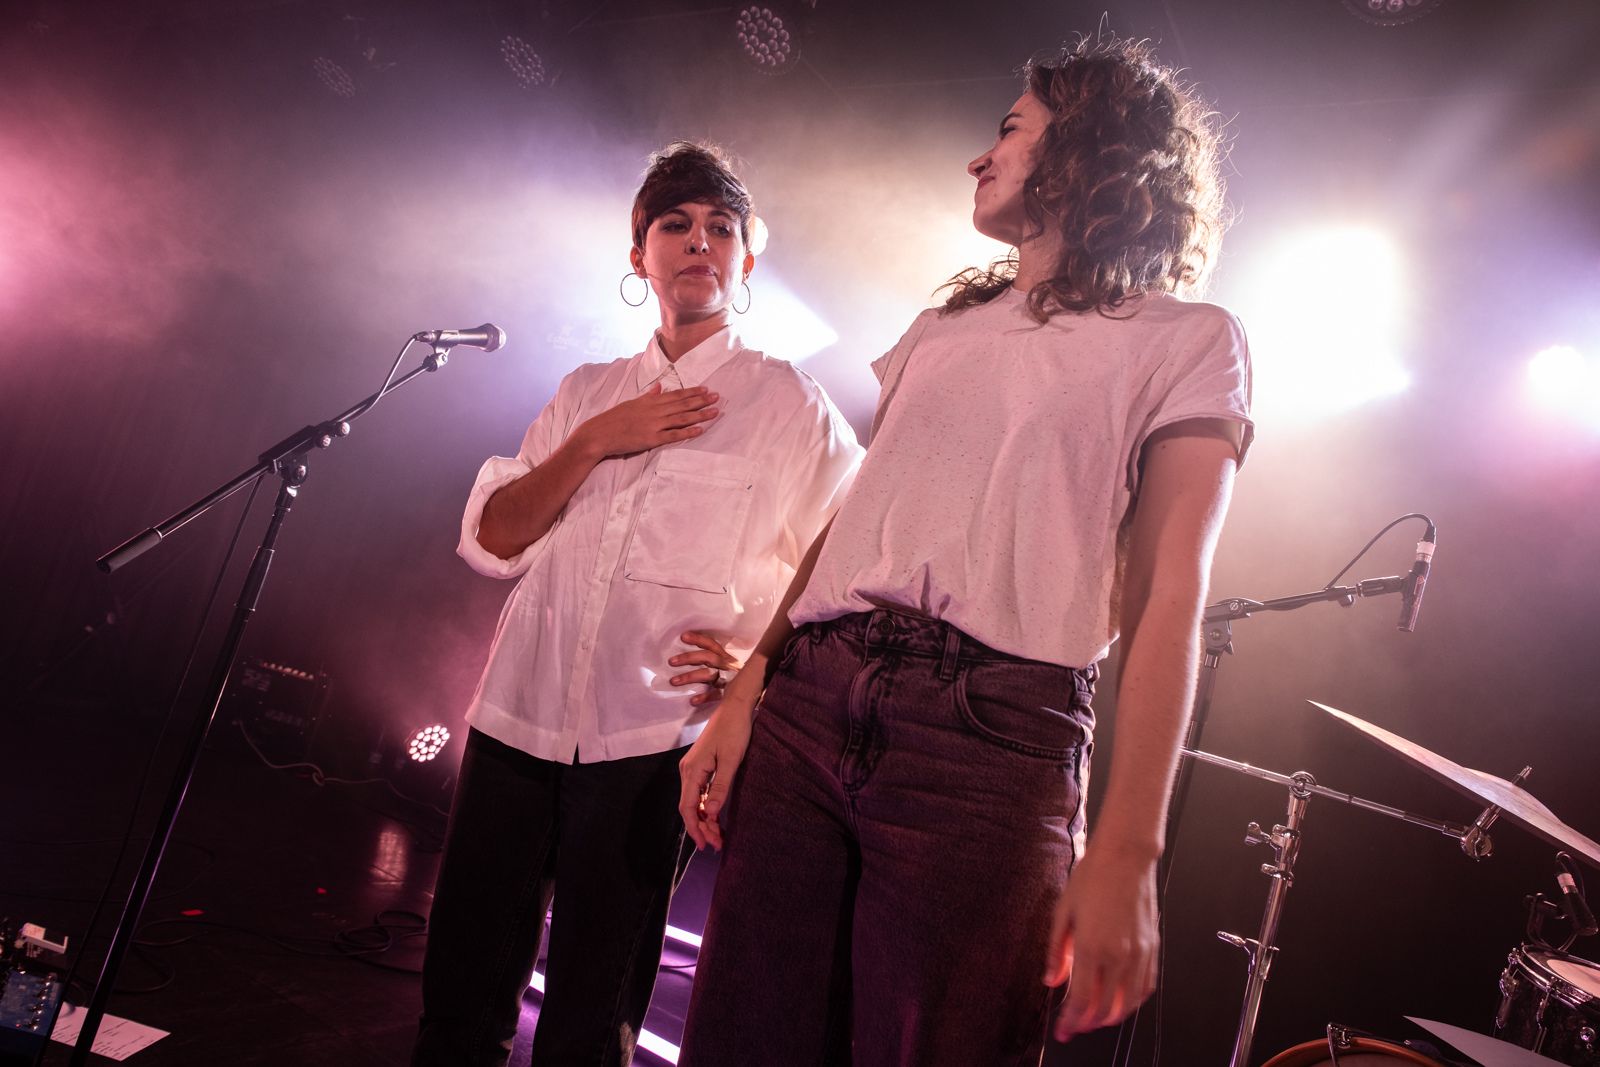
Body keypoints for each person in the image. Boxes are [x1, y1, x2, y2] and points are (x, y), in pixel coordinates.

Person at [676, 36, 1253, 1066]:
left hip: (991, 741)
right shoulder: (941, 328)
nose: (978, 159)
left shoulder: (1188, 338)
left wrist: (1128, 844)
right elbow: (844, 534)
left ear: (1094, 151)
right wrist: (746, 690)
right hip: (812, 700)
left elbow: (1173, 593)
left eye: (1009, 129)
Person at [411, 142, 862, 1067]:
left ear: (746, 262)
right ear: (639, 255)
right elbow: (495, 538)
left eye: (721, 228)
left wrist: (758, 673)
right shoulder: (586, 392)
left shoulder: (789, 404)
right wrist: (592, 443)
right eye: (676, 224)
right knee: (460, 987)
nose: (700, 241)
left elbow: (849, 561)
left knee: (590, 1012)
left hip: (650, 742)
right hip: (516, 720)